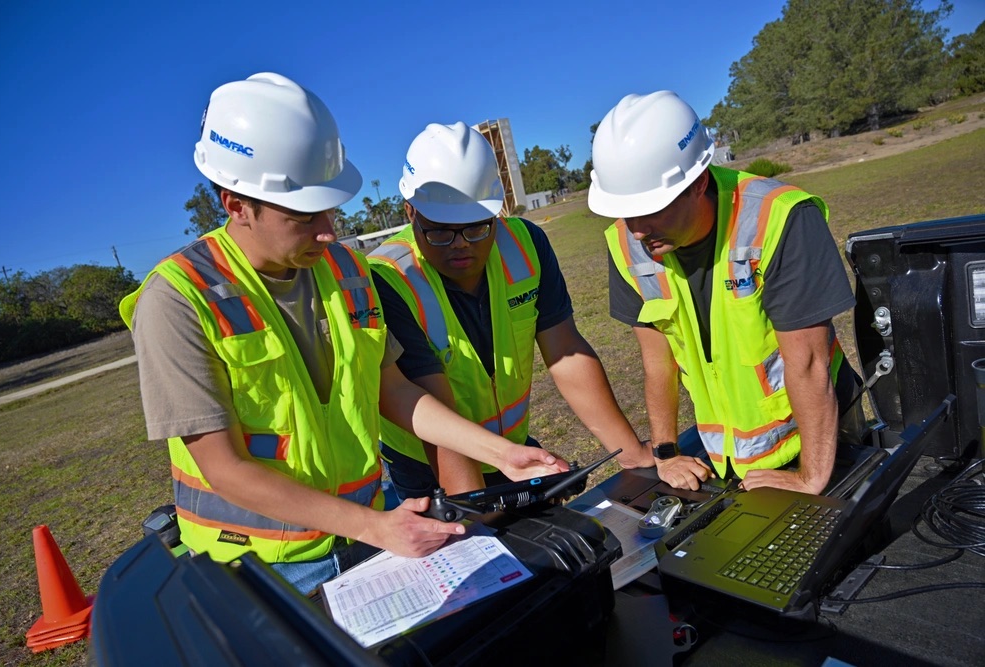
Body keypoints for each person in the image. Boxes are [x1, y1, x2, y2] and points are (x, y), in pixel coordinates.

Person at [119, 73, 567, 595]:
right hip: (262, 568)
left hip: (365, 536)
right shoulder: (177, 299)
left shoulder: (346, 270)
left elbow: (395, 390)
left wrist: (500, 453)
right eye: (304, 215)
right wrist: (377, 528)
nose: (329, 230)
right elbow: (225, 470)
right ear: (236, 204)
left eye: (330, 207)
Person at [589, 91, 865, 495]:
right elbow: (657, 360)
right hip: (727, 457)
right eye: (628, 211)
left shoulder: (780, 218)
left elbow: (808, 361)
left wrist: (811, 476)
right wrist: (665, 451)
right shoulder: (626, 243)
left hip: (821, 440)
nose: (637, 229)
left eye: (651, 208)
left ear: (699, 182)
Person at [368, 121, 658, 500]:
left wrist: (633, 454)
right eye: (440, 231)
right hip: (428, 463)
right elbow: (434, 415)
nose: (461, 245)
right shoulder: (389, 278)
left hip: (511, 447)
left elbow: (566, 353)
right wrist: (478, 524)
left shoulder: (525, 244)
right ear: (410, 213)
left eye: (476, 228)